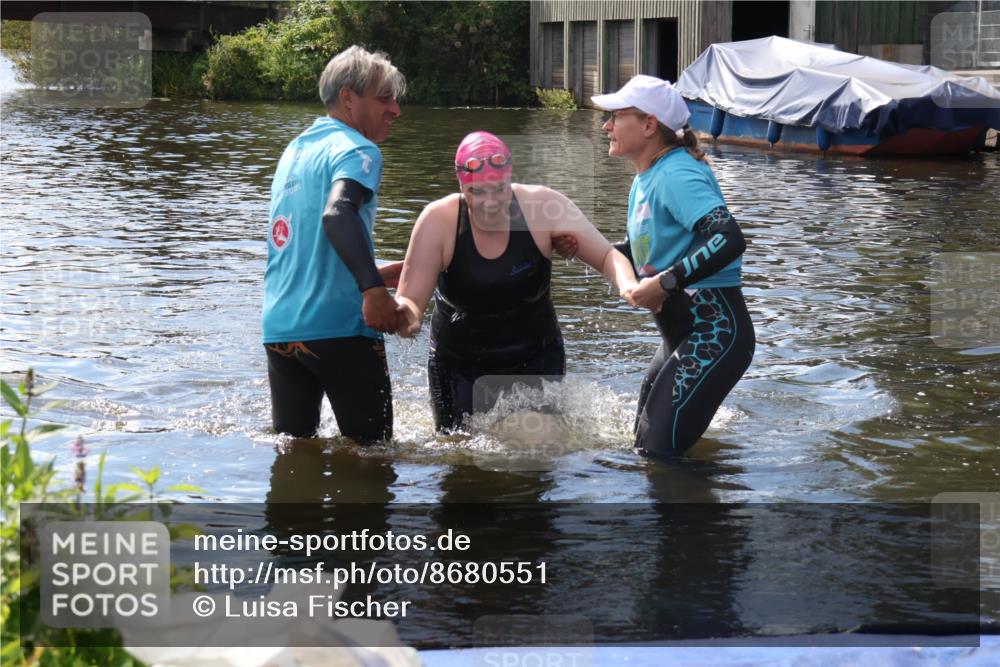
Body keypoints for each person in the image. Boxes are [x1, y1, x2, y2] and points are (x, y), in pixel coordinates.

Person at [393, 131, 639, 431]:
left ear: (511, 180)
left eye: (499, 189)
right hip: (459, 365)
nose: (490, 202)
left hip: (534, 355)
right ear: (461, 185)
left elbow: (606, 256)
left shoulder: (541, 206)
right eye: (477, 192)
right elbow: (411, 299)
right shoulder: (438, 220)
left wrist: (627, 285)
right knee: (461, 457)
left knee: (536, 448)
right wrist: (406, 317)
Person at [592, 74, 756, 458]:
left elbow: (729, 238)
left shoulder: (676, 174)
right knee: (644, 448)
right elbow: (649, 252)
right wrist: (581, 247)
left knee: (656, 458)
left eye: (617, 116)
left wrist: (666, 283)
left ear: (649, 125)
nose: (606, 125)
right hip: (681, 337)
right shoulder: (646, 178)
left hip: (715, 333)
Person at [261, 45, 406, 442]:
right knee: (372, 460)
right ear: (348, 98)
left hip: (280, 330)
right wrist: (374, 291)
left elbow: (309, 252)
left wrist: (394, 272)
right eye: (384, 98)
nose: (395, 110)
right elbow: (338, 215)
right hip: (341, 330)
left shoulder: (294, 151)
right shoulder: (359, 149)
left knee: (293, 457)